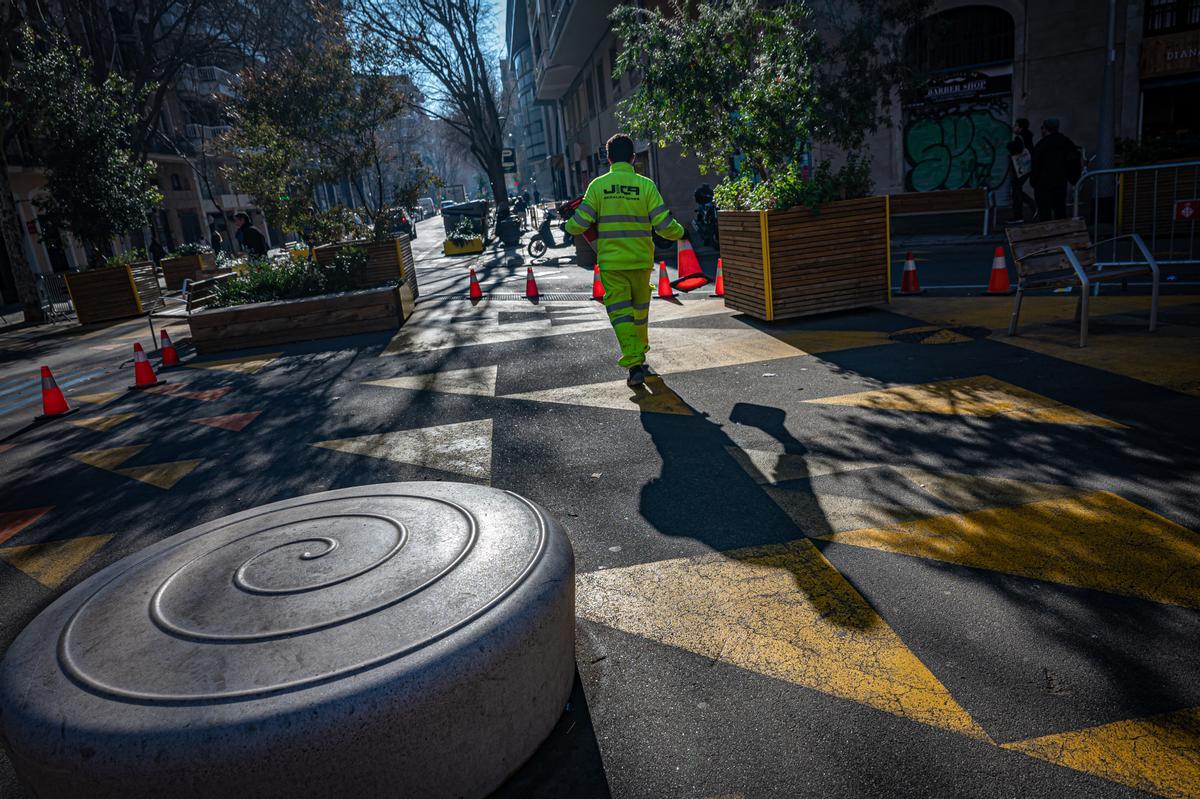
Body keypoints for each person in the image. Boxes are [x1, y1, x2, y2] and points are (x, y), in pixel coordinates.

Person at [564, 132, 685, 387]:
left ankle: (633, 362)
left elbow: (578, 226)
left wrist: (570, 222)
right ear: (632, 158)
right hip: (641, 262)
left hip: (612, 264)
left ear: (608, 158)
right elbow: (664, 225)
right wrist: (680, 233)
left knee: (620, 315)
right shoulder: (646, 186)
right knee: (640, 314)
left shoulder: (597, 186)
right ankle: (640, 357)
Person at [1030, 118, 1081, 221]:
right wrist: (1074, 178)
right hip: (1059, 182)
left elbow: (1036, 164)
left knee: (1044, 213)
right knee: (1060, 211)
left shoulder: (1042, 144)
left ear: (1044, 129)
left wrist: (1033, 181)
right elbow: (1073, 160)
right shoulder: (1066, 142)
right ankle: (1061, 234)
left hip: (1043, 183)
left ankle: (1046, 235)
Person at [1005, 138, 1037, 224]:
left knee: (1016, 191)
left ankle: (1019, 215)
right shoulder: (1023, 137)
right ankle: (1031, 206)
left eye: (1016, 125)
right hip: (1022, 169)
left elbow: (1017, 148)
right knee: (1017, 191)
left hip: (1020, 170)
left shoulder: (1022, 137)